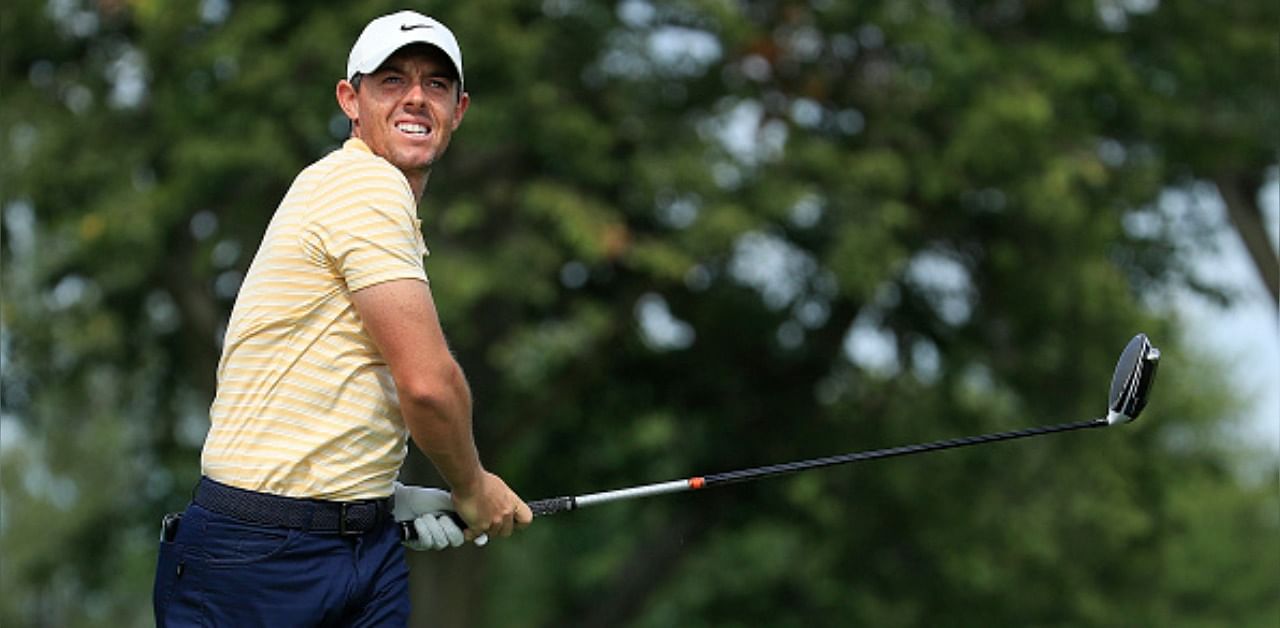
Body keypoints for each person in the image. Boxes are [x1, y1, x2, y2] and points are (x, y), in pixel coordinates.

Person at [153, 11, 532, 626]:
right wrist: (472, 486)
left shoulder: (368, 202)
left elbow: (339, 380)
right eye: (392, 81)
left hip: (358, 547)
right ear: (350, 100)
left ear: (459, 109)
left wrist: (379, 495)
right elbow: (429, 385)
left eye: (436, 84)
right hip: (260, 556)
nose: (416, 97)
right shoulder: (364, 186)